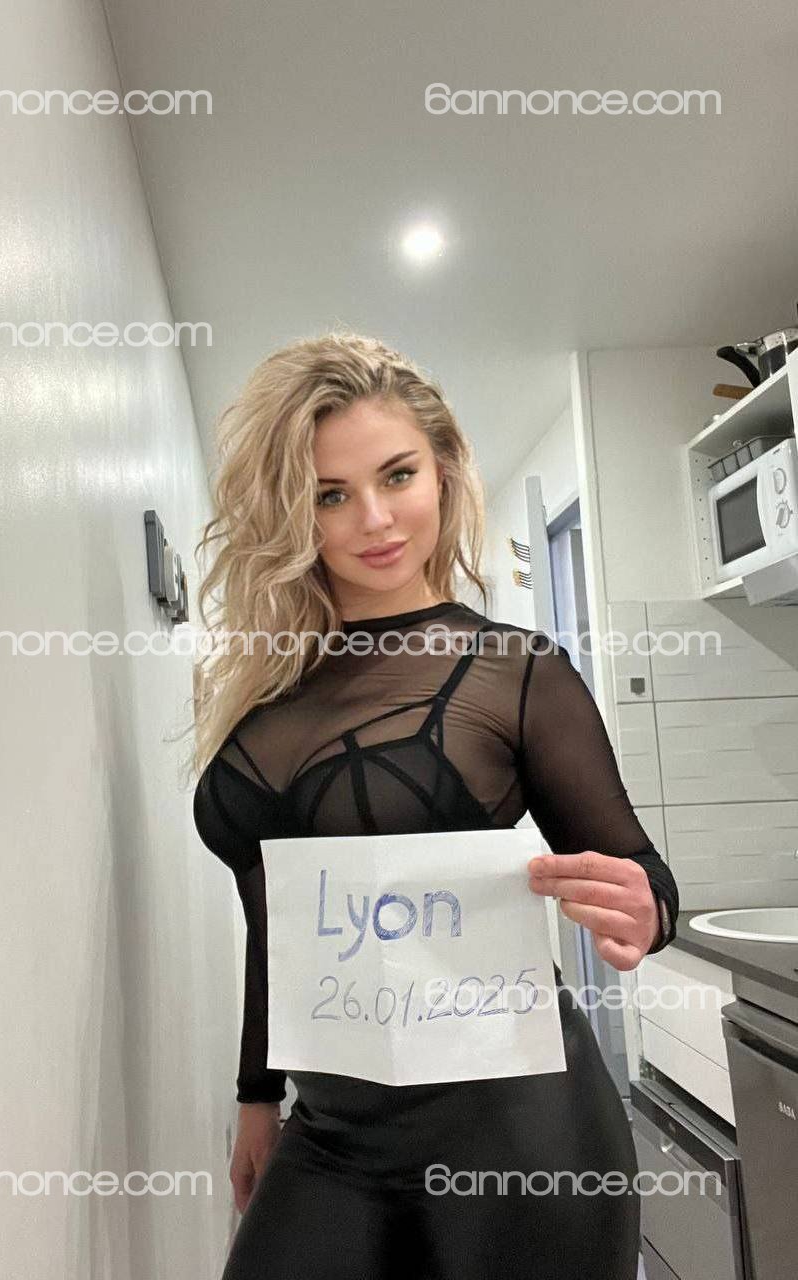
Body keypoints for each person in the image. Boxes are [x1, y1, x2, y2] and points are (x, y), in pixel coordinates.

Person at [189, 332, 679, 1280]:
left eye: (397, 475)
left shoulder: (515, 672)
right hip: (330, 1131)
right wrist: (257, 1097)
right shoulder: (264, 689)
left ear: (444, 470)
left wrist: (641, 909)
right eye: (329, 494)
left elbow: (647, 879)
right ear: (289, 510)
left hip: (516, 1132)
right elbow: (280, 922)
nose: (373, 519)